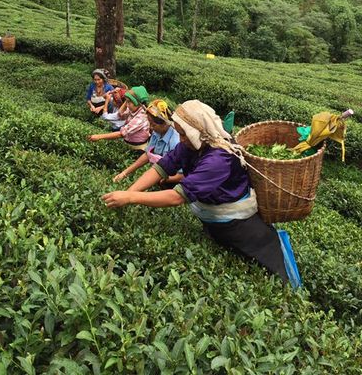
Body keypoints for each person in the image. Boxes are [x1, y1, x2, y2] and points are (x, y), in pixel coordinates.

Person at [102, 99, 289, 283]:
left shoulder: (219, 158)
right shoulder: (191, 144)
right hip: (215, 221)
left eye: (183, 134)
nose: (181, 140)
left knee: (270, 274)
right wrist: (128, 191)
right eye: (180, 134)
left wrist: (130, 197)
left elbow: (176, 197)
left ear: (197, 132)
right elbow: (161, 167)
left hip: (242, 229)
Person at [113, 99, 180, 183]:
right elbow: (147, 154)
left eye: (153, 124)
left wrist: (162, 180)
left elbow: (182, 174)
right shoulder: (156, 133)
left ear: (164, 123)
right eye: (149, 122)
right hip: (158, 175)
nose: (150, 127)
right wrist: (125, 173)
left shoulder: (176, 141)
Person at [87, 86, 150, 151]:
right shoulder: (132, 110)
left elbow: (121, 133)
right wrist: (128, 99)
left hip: (137, 148)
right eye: (126, 102)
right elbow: (120, 114)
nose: (127, 105)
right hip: (128, 143)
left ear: (138, 103)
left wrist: (99, 137)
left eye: (129, 102)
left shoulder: (141, 117)